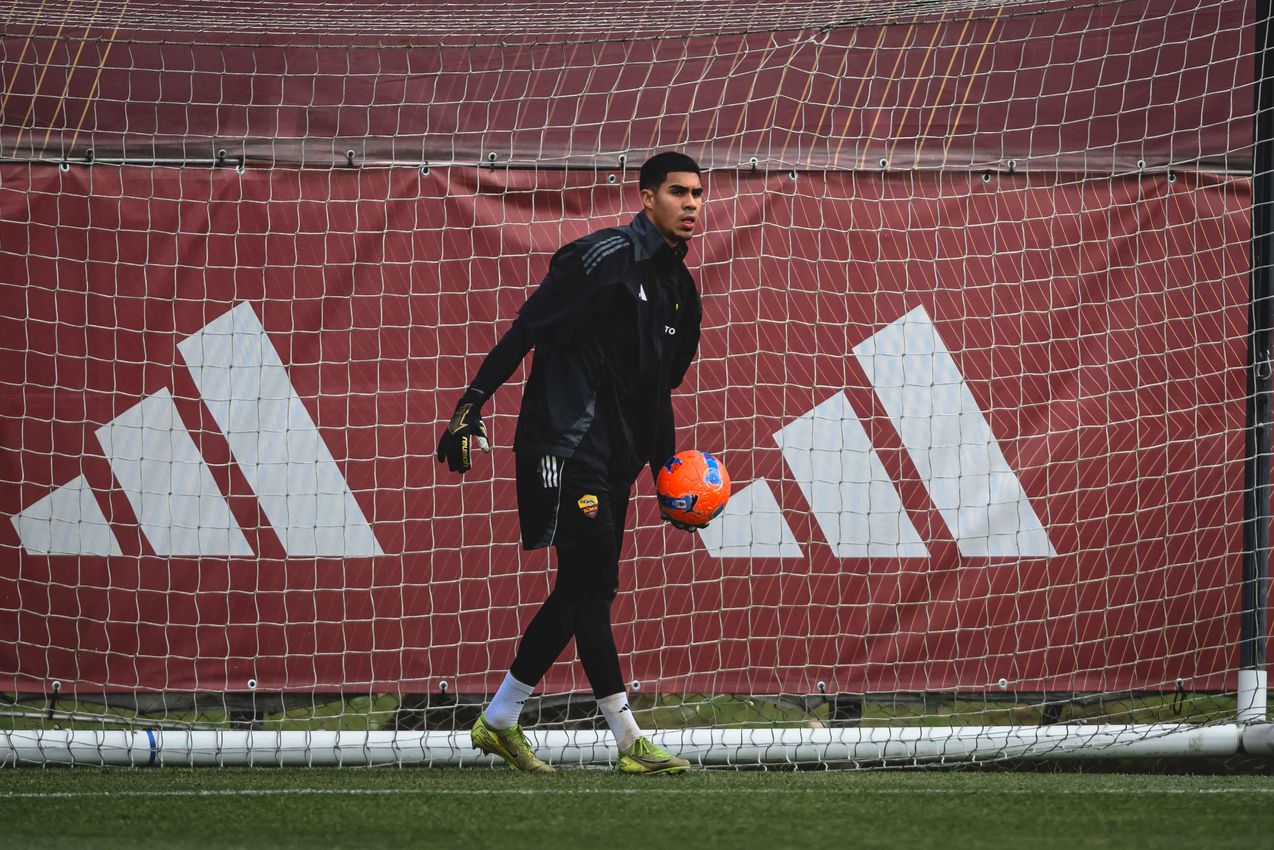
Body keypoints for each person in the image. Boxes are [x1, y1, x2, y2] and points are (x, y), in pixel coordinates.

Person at [435, 152, 706, 775]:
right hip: (563, 445)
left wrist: (668, 478)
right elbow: (525, 329)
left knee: (587, 589)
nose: (691, 204)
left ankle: (500, 719)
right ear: (646, 198)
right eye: (677, 192)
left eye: (697, 194)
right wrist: (471, 404)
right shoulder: (599, 257)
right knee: (590, 584)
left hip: (615, 460)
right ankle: (628, 741)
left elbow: (656, 394)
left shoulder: (681, 293)